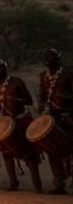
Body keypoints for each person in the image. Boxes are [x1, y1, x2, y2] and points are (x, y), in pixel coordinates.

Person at [0, 58, 43, 193]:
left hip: (21, 120)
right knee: (7, 153)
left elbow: (29, 100)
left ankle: (37, 185)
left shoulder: (16, 81)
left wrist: (17, 100)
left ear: (5, 68)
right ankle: (13, 183)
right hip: (6, 122)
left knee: (29, 153)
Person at [38, 48, 73, 194]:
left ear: (58, 58)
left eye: (51, 56)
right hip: (51, 117)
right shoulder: (43, 76)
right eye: (45, 56)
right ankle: (59, 183)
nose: (47, 58)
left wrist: (66, 100)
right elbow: (44, 95)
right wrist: (41, 108)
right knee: (52, 150)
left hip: (68, 115)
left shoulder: (68, 74)